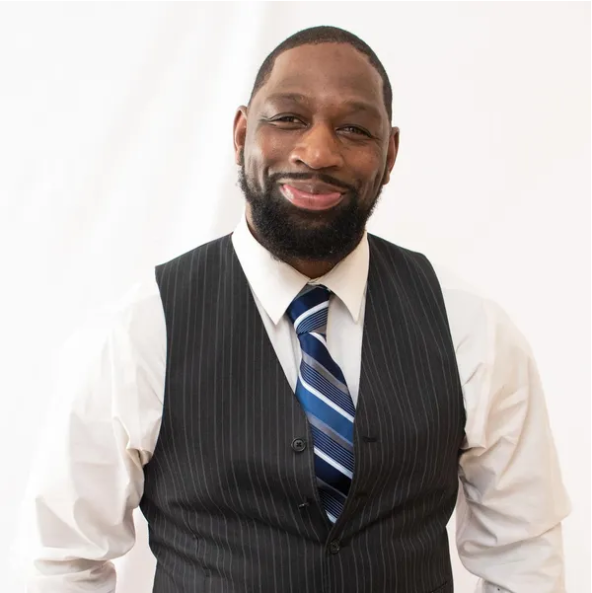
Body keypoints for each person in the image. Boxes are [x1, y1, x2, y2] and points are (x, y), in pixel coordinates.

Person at [20, 25, 570, 593]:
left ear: (390, 154)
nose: (318, 152)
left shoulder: (472, 330)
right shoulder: (140, 330)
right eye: (288, 119)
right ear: (241, 133)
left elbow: (522, 557)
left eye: (354, 129)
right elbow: (64, 561)